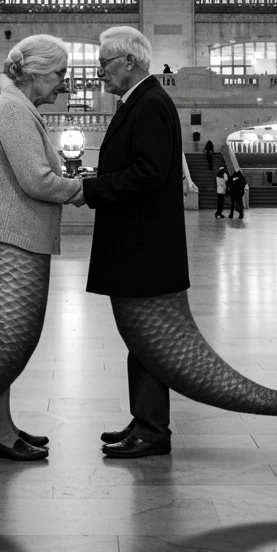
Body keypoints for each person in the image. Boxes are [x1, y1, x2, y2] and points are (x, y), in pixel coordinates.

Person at [0, 33, 82, 459]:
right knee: (2, 342)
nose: (63, 83)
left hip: (10, 239)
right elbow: (36, 179)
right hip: (5, 241)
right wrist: (81, 189)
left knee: (6, 342)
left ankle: (3, 425)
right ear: (35, 72)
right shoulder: (14, 110)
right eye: (59, 74)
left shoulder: (18, 107)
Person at [81, 26, 189, 458]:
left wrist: (91, 190)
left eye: (104, 64)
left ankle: (152, 429)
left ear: (129, 62)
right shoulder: (139, 102)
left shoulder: (151, 105)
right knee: (139, 341)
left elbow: (148, 173)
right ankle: (144, 419)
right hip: (137, 244)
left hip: (144, 248)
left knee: (147, 340)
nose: (99, 73)